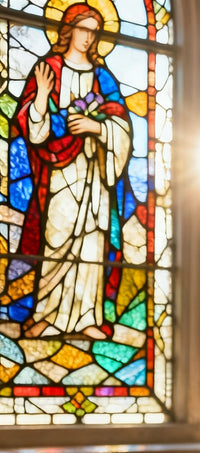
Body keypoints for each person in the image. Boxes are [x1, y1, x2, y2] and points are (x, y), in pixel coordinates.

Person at [9, 2, 132, 339]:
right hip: (60, 173)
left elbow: (121, 125)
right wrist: (42, 98)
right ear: (68, 29)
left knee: (92, 239)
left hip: (94, 172)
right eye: (84, 29)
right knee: (58, 236)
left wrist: (96, 129)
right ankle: (47, 314)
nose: (89, 38)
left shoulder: (103, 77)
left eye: (95, 32)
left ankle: (87, 317)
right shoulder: (48, 68)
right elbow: (31, 130)